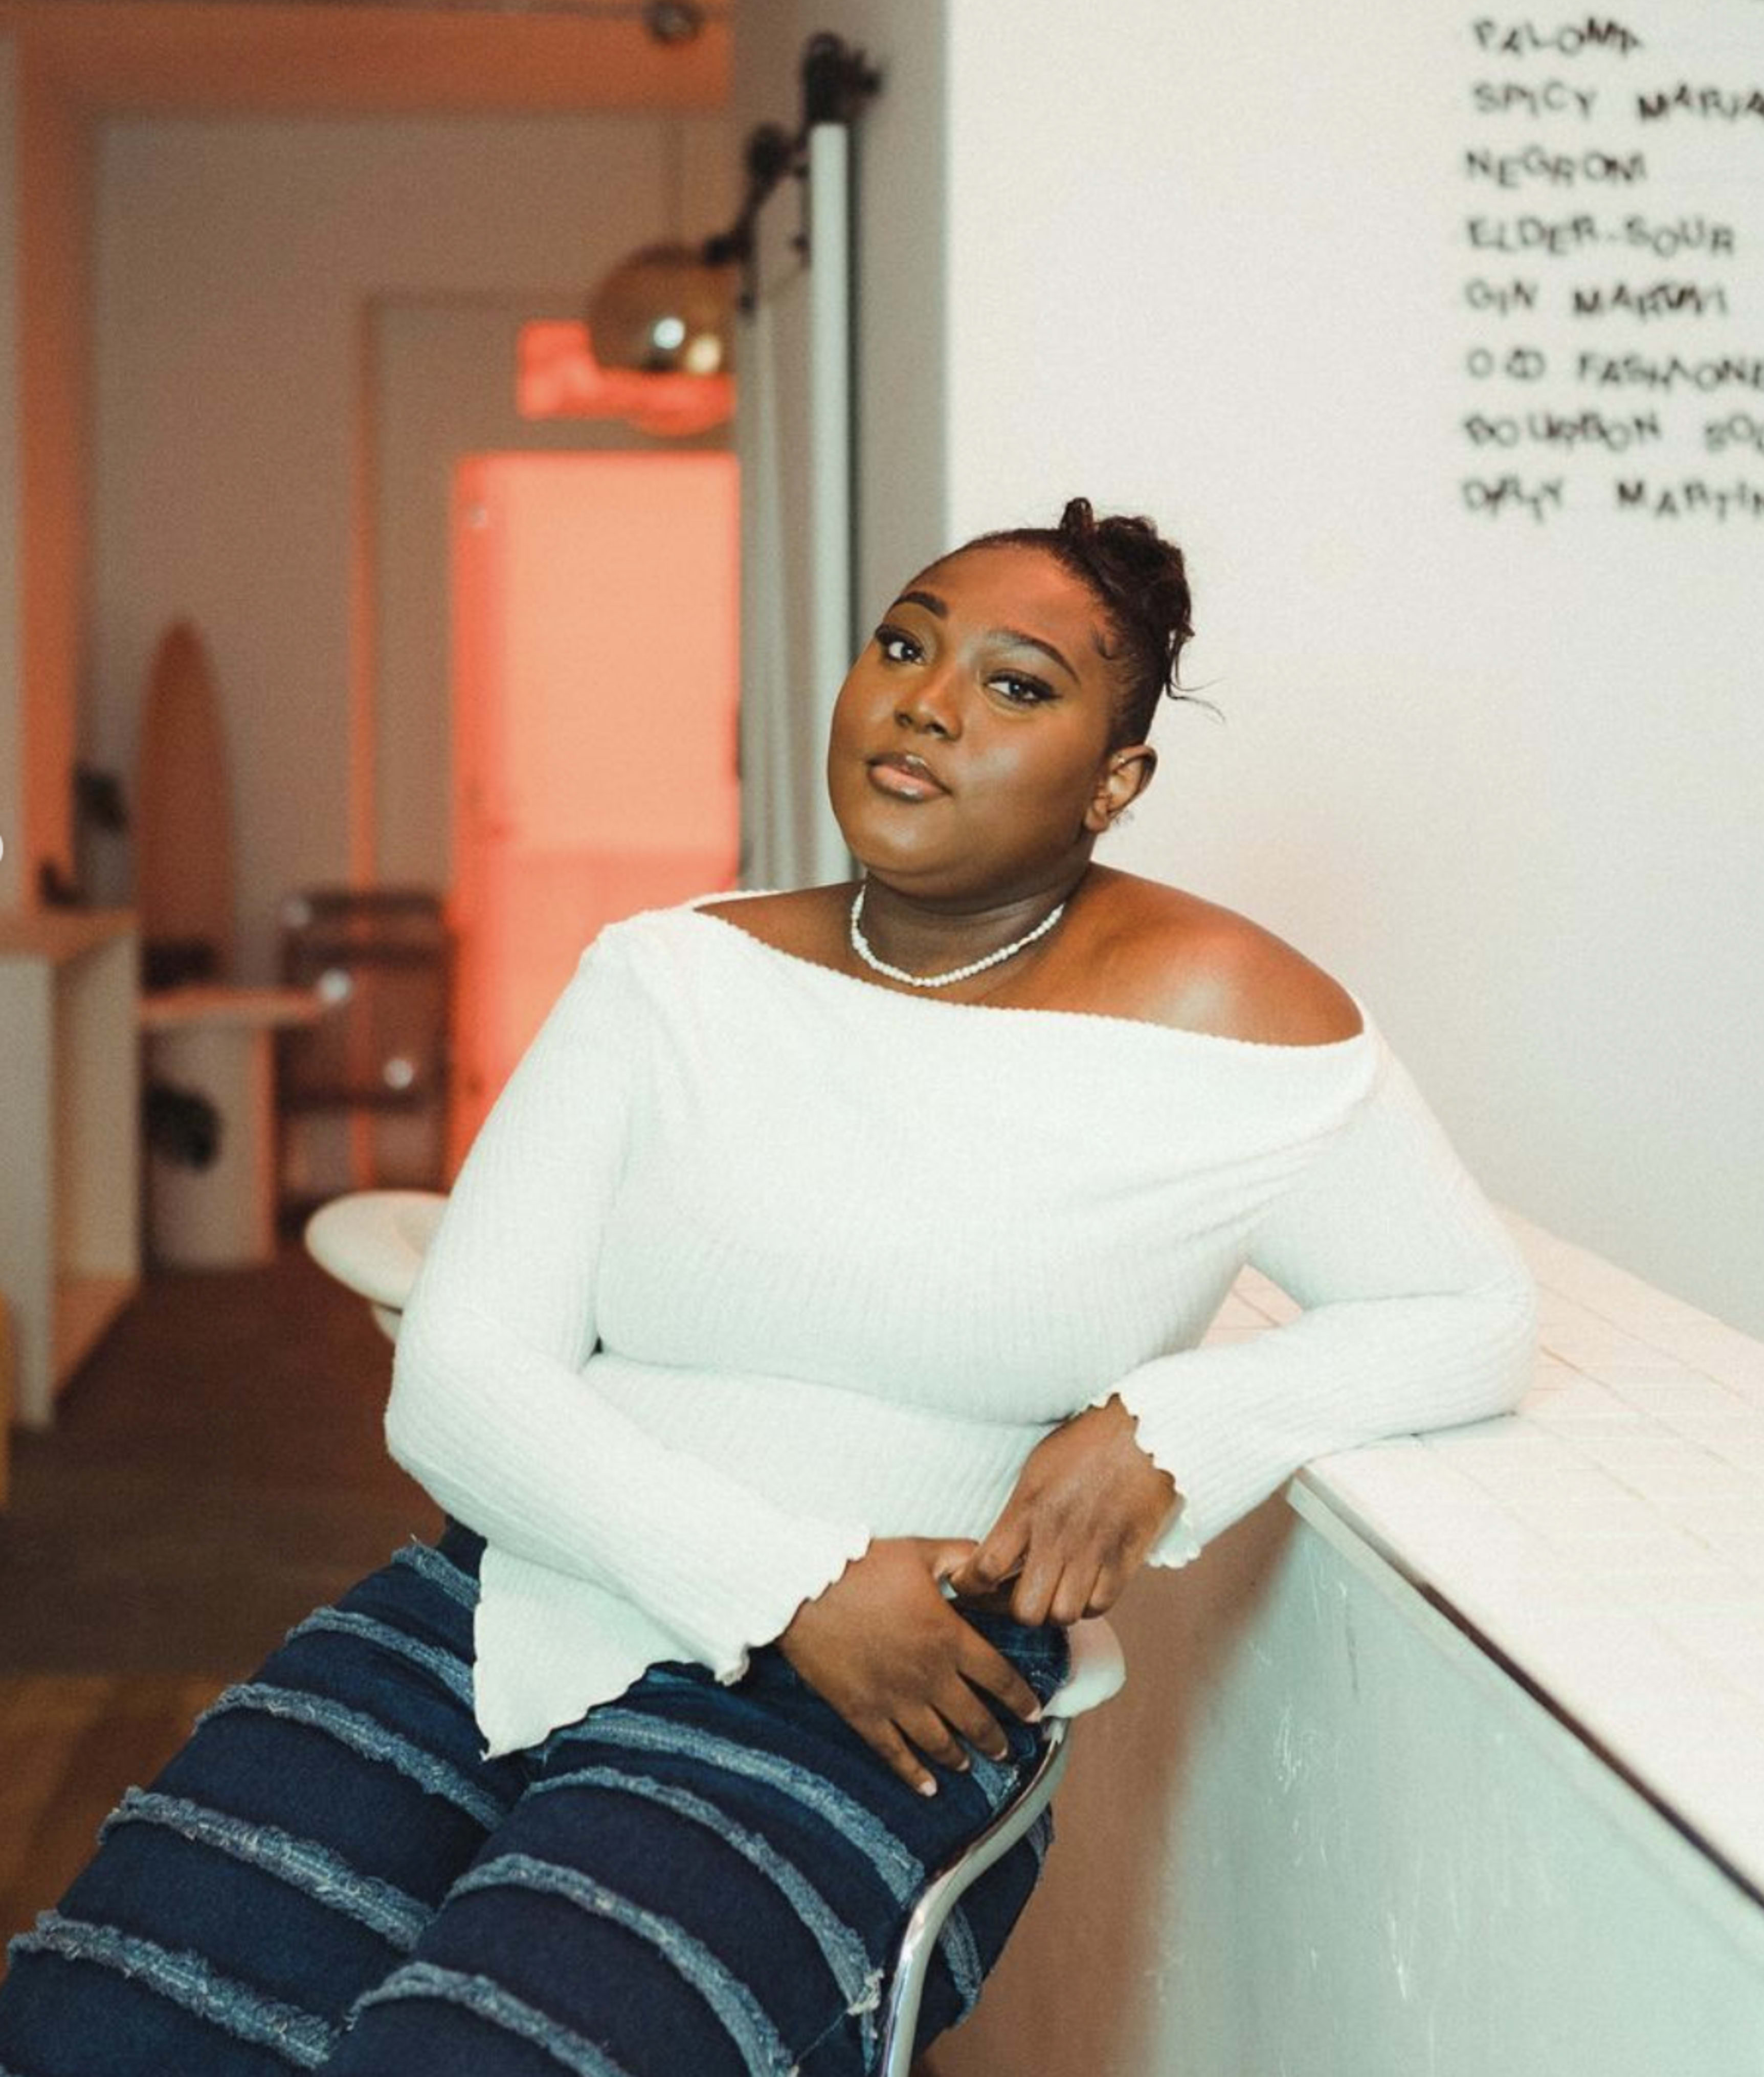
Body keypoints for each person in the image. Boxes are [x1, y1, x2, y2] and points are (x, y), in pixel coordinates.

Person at [0, 499, 1536, 2075]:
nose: (925, 701)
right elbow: (460, 1380)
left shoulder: (1232, 1021)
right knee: (91, 2029)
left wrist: (1173, 1425)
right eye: (904, 646)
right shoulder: (667, 977)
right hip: (509, 1600)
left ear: (1116, 779)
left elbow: (1469, 1311)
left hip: (895, 1696)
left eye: (1016, 687)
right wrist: (790, 1583)